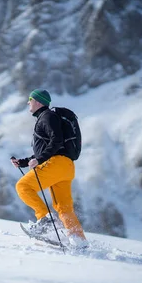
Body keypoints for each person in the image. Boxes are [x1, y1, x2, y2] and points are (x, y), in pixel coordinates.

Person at [11, 89, 88, 248]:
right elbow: (47, 147)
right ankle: (78, 239)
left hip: (56, 162)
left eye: (30, 99)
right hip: (66, 167)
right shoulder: (49, 117)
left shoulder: (47, 116)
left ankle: (44, 219)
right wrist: (25, 162)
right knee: (63, 207)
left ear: (38, 101)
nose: (28, 102)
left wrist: (39, 159)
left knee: (23, 186)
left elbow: (56, 140)